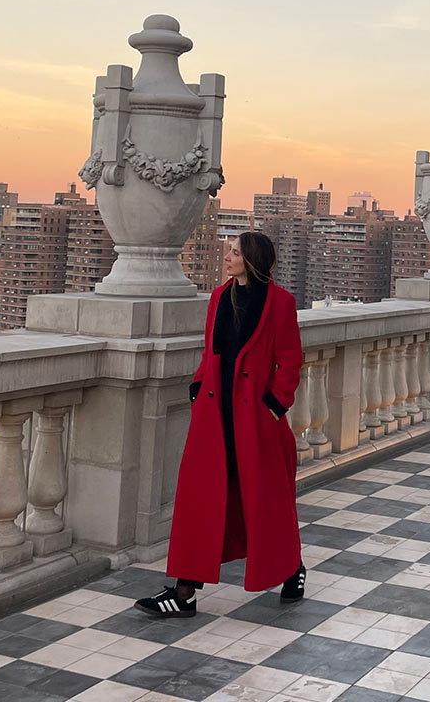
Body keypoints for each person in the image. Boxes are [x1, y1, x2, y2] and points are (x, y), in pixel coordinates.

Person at [134, 231, 306, 617]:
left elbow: (290, 362)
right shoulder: (217, 298)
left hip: (256, 422)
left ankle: (292, 568)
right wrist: (198, 387)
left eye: (234, 252)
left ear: (252, 259)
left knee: (266, 503)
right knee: (200, 501)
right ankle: (184, 593)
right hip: (214, 417)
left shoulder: (280, 303)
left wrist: (274, 406)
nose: (226, 256)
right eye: (227, 251)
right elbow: (211, 351)